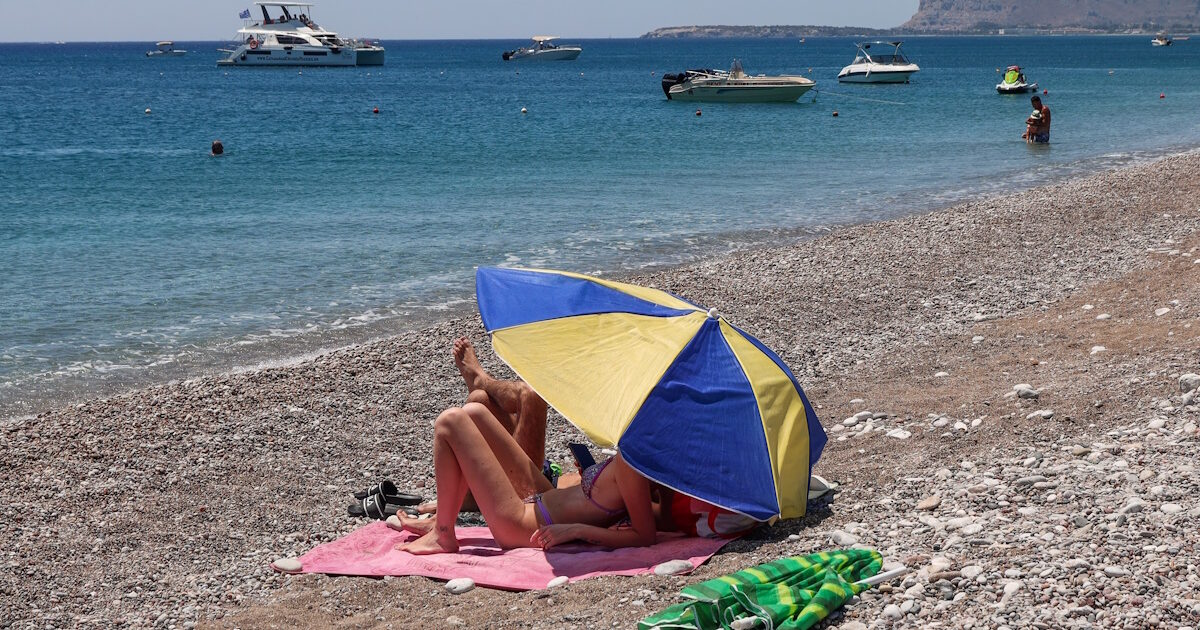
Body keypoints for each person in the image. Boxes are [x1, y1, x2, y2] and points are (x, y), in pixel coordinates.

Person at [390, 338, 660, 555]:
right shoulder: (634, 457)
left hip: (522, 524)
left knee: (450, 421)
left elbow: (644, 535)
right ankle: (443, 518)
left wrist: (576, 530)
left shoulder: (632, 463)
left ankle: (442, 534)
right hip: (543, 499)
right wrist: (593, 479)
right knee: (474, 411)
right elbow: (645, 510)